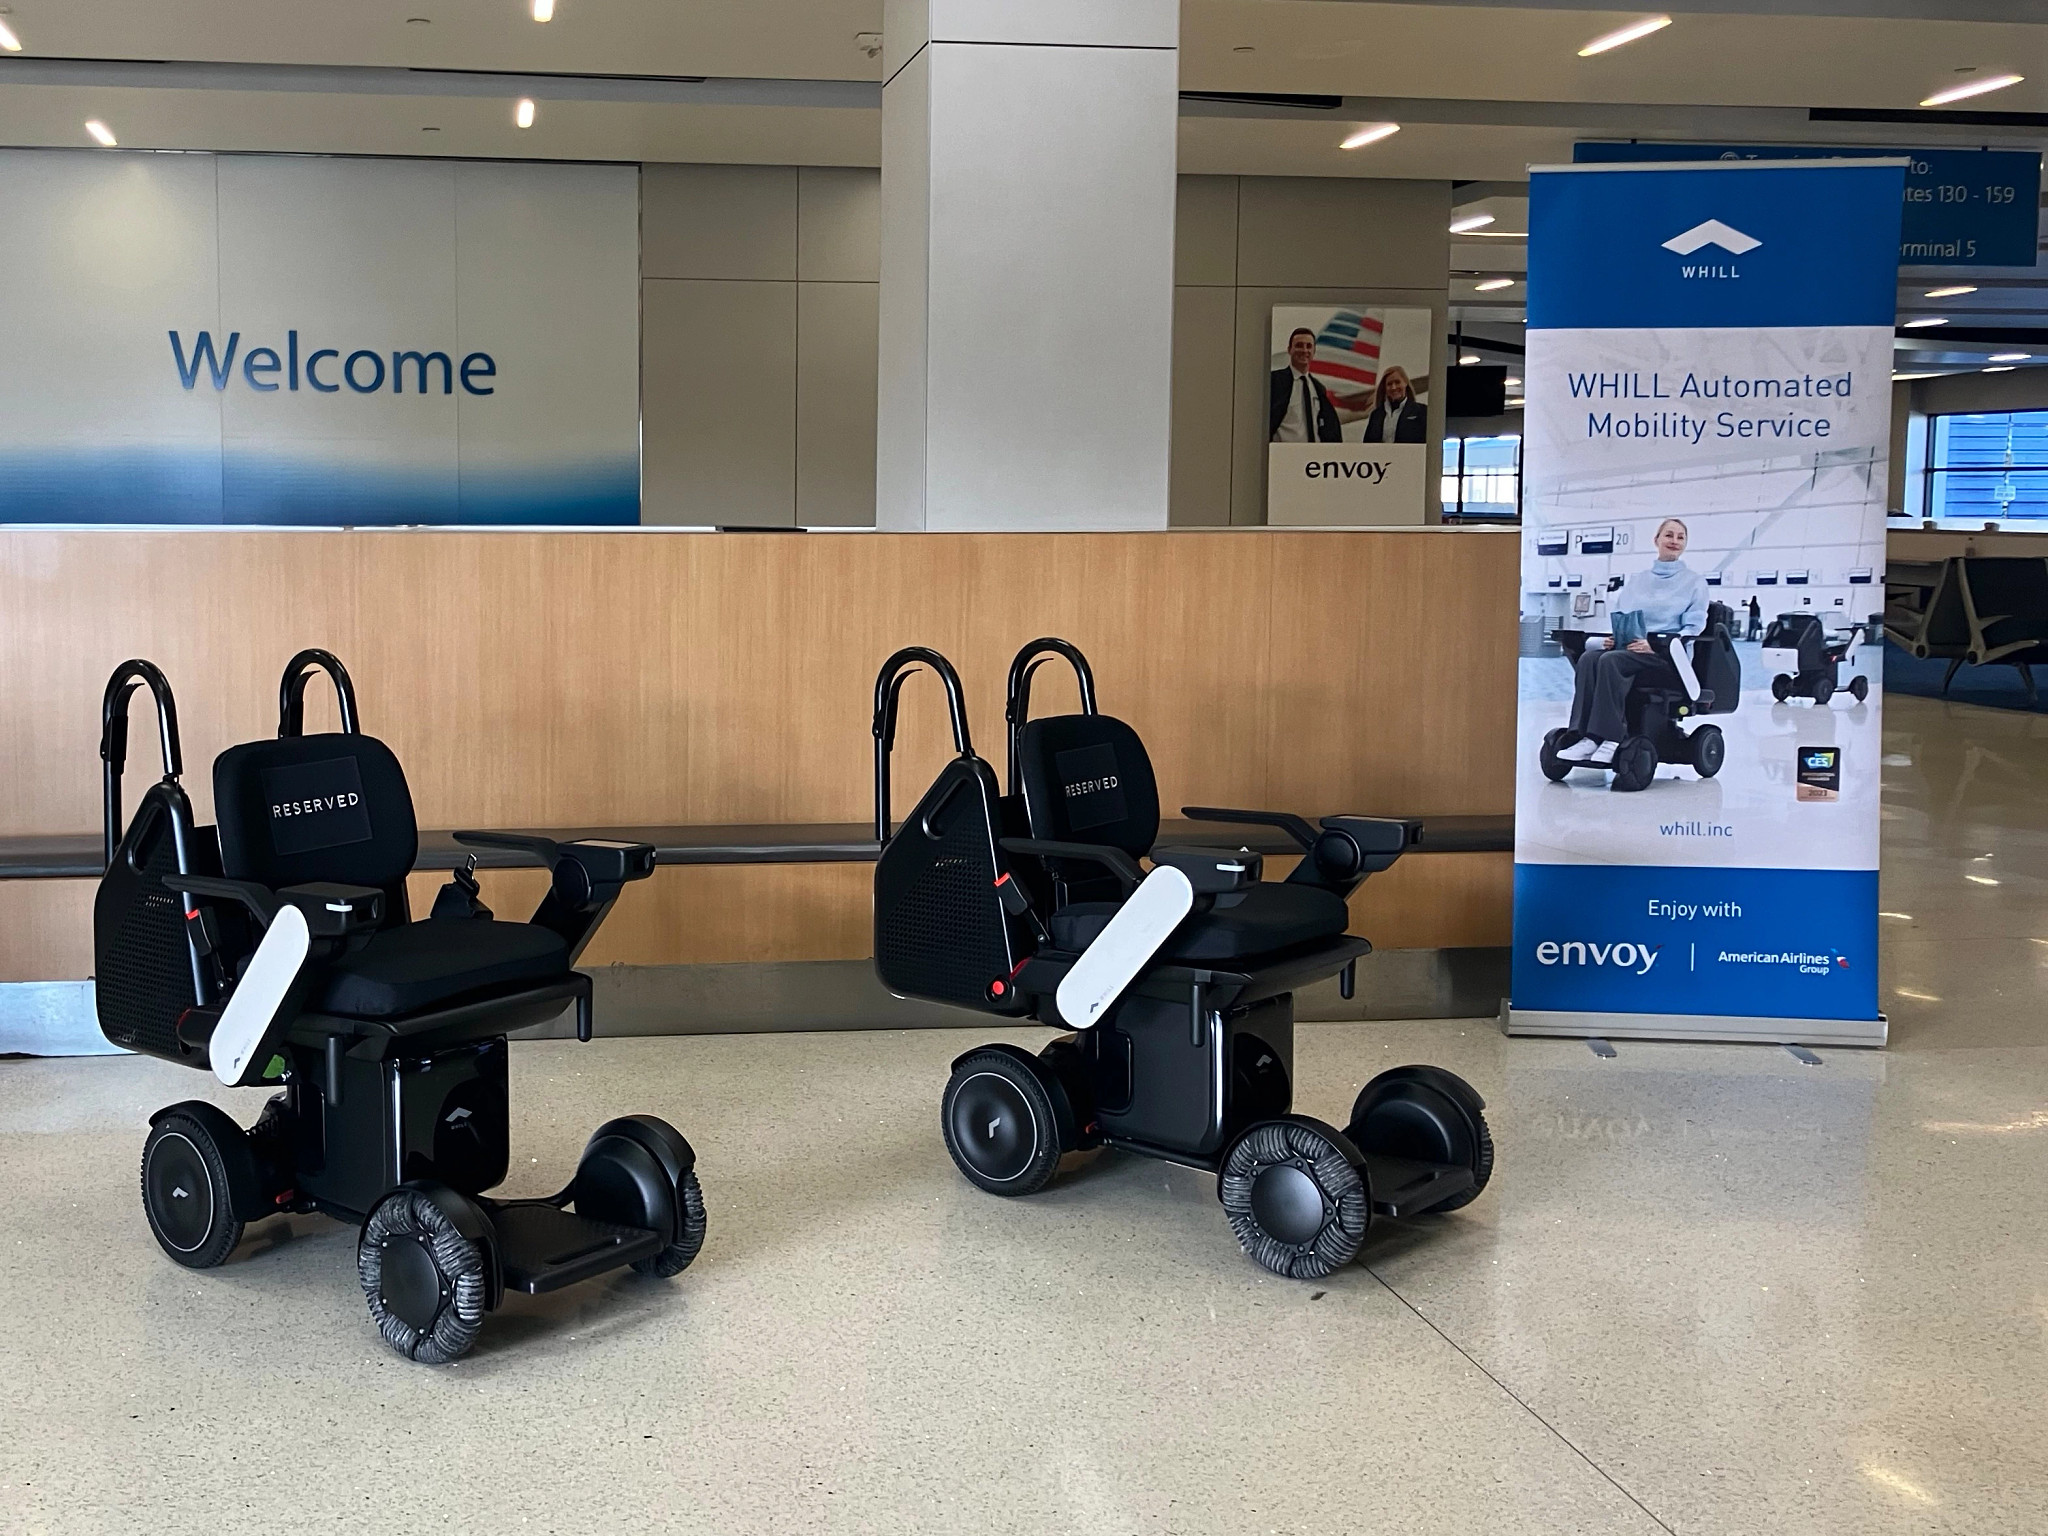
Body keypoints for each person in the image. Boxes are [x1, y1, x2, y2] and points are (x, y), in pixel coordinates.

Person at [1556, 517, 1709, 766]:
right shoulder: (1638, 580)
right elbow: (1623, 616)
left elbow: (1694, 627)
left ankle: (1609, 738)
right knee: (1589, 658)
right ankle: (1583, 737)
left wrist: (1656, 646)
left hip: (1667, 658)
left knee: (1611, 662)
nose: (1674, 541)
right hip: (1631, 650)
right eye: (1669, 535)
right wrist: (1613, 637)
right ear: (1656, 540)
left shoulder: (1694, 583)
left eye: (1680, 537)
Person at [1269, 327, 1342, 443]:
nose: (1304, 350)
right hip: (1284, 454)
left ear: (1314, 352)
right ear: (1289, 350)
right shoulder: (1274, 382)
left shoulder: (1318, 388)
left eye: (1309, 346)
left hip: (1312, 457)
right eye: (1299, 345)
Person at [1360, 365, 1427, 444]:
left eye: (1397, 382)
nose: (1393, 387)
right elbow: (1367, 445)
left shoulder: (1421, 412)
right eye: (1389, 384)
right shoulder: (1376, 415)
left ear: (1405, 383)